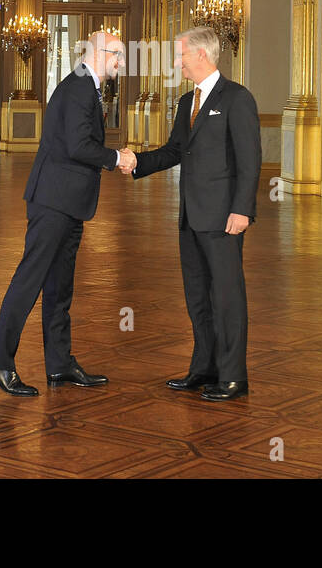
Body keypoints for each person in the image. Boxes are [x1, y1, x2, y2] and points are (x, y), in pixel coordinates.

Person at [0, 31, 128, 397]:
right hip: (54, 202)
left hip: (67, 202)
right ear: (101, 54)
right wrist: (115, 158)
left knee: (60, 288)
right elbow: (79, 145)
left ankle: (59, 365)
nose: (122, 64)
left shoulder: (84, 86)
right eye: (119, 57)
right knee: (29, 281)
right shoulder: (79, 87)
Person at [124, 26, 261, 401]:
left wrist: (242, 210)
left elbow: (250, 162)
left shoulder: (237, 98)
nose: (175, 62)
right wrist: (136, 162)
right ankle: (204, 368)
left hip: (223, 219)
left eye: (179, 55)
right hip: (190, 217)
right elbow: (173, 151)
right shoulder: (187, 102)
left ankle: (234, 376)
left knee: (228, 297)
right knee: (198, 296)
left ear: (202, 55)